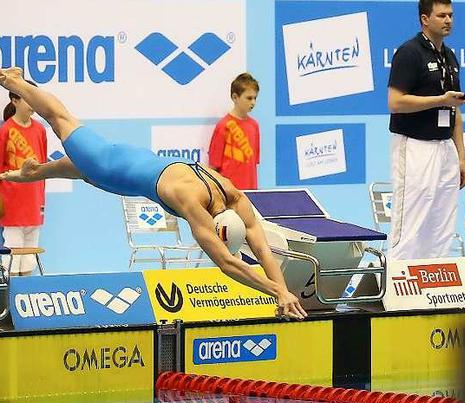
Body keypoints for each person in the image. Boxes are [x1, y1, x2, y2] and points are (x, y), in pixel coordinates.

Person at [0, 67, 307, 320]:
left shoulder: (232, 193)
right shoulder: (191, 202)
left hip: (126, 164)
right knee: (61, 120)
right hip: (113, 168)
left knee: (87, 172)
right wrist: (276, 290)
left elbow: (261, 246)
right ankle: (15, 81)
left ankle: (34, 173)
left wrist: (283, 294)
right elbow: (228, 264)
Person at [386, 0, 465, 260]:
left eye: (451, 15)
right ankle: (398, 285)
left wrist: (462, 159)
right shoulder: (409, 53)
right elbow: (395, 102)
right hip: (415, 145)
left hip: (445, 148)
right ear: (425, 18)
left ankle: (434, 282)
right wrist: (441, 100)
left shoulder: (450, 55)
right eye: (442, 15)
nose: (448, 20)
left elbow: (455, 113)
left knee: (441, 221)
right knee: (412, 217)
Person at [1, 80, 46, 276]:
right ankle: (8, 301)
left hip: (34, 203)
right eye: (27, 96)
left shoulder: (40, 130)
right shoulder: (4, 130)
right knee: (12, 252)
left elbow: (44, 168)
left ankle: (25, 300)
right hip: (12, 204)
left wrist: (41, 201)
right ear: (15, 100)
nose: (32, 102)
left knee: (29, 257)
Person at [209, 73, 261, 190]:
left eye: (255, 98)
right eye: (249, 98)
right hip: (228, 193)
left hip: (250, 192)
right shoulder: (223, 126)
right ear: (235, 97)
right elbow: (213, 167)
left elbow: (253, 163)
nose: (253, 102)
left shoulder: (254, 126)